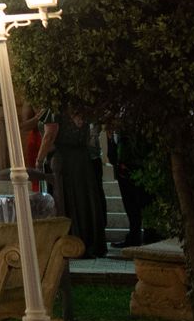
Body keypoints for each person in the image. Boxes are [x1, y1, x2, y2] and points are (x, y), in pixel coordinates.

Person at [42, 107, 108, 257]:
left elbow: (49, 136)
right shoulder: (84, 109)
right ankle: (88, 241)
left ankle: (73, 241)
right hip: (83, 159)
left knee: (69, 199)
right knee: (84, 199)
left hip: (65, 160)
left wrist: (39, 159)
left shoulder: (56, 110)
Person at [107, 122, 155, 248]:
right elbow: (112, 155)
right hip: (123, 171)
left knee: (143, 203)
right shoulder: (116, 130)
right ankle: (134, 236)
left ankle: (149, 236)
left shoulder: (135, 126)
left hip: (139, 169)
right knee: (130, 206)